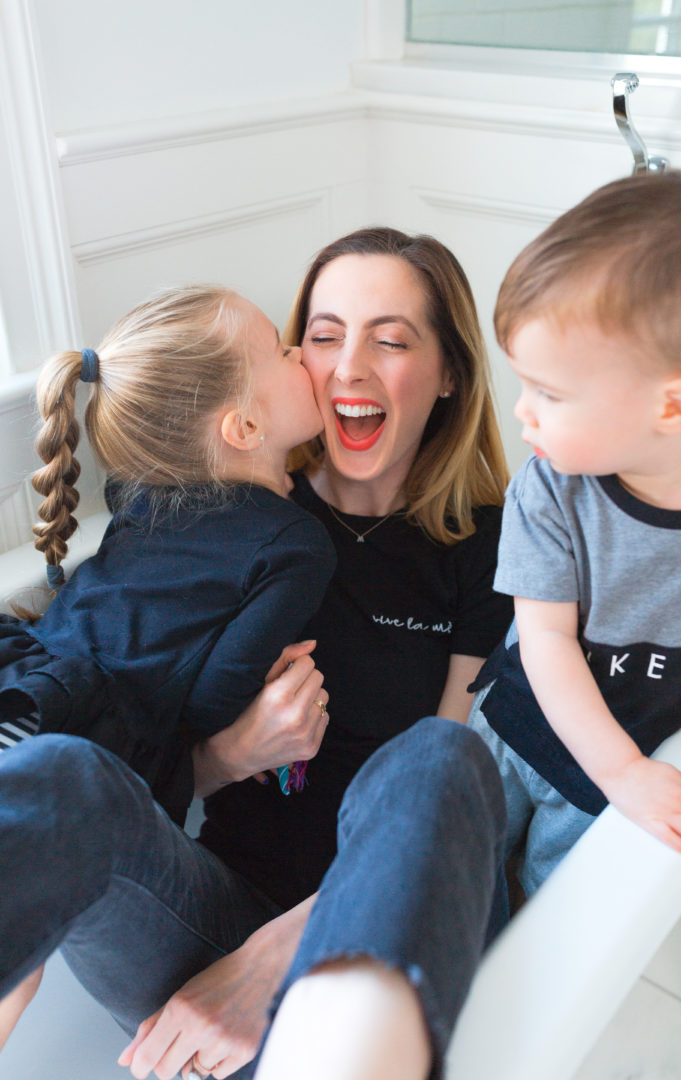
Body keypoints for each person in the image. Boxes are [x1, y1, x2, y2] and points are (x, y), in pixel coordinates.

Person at [0, 229, 512, 1080]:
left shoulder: (487, 544)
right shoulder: (235, 517)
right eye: (321, 334)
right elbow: (135, 733)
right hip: (212, 927)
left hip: (387, 927)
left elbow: (467, 806)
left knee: (440, 753)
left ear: (451, 372)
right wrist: (226, 758)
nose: (348, 365)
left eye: (390, 338)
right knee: (65, 776)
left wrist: (281, 952)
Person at [468, 169, 681, 899]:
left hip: (615, 770)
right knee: (465, 882)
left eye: (549, 393)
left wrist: (623, 779)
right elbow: (543, 640)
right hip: (519, 733)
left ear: (673, 407)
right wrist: (625, 773)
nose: (524, 413)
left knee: (551, 902)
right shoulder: (552, 487)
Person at [0, 284, 335, 819]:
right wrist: (263, 674)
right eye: (281, 350)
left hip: (22, 683)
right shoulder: (296, 545)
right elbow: (211, 704)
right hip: (75, 748)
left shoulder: (140, 494)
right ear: (245, 428)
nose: (300, 353)